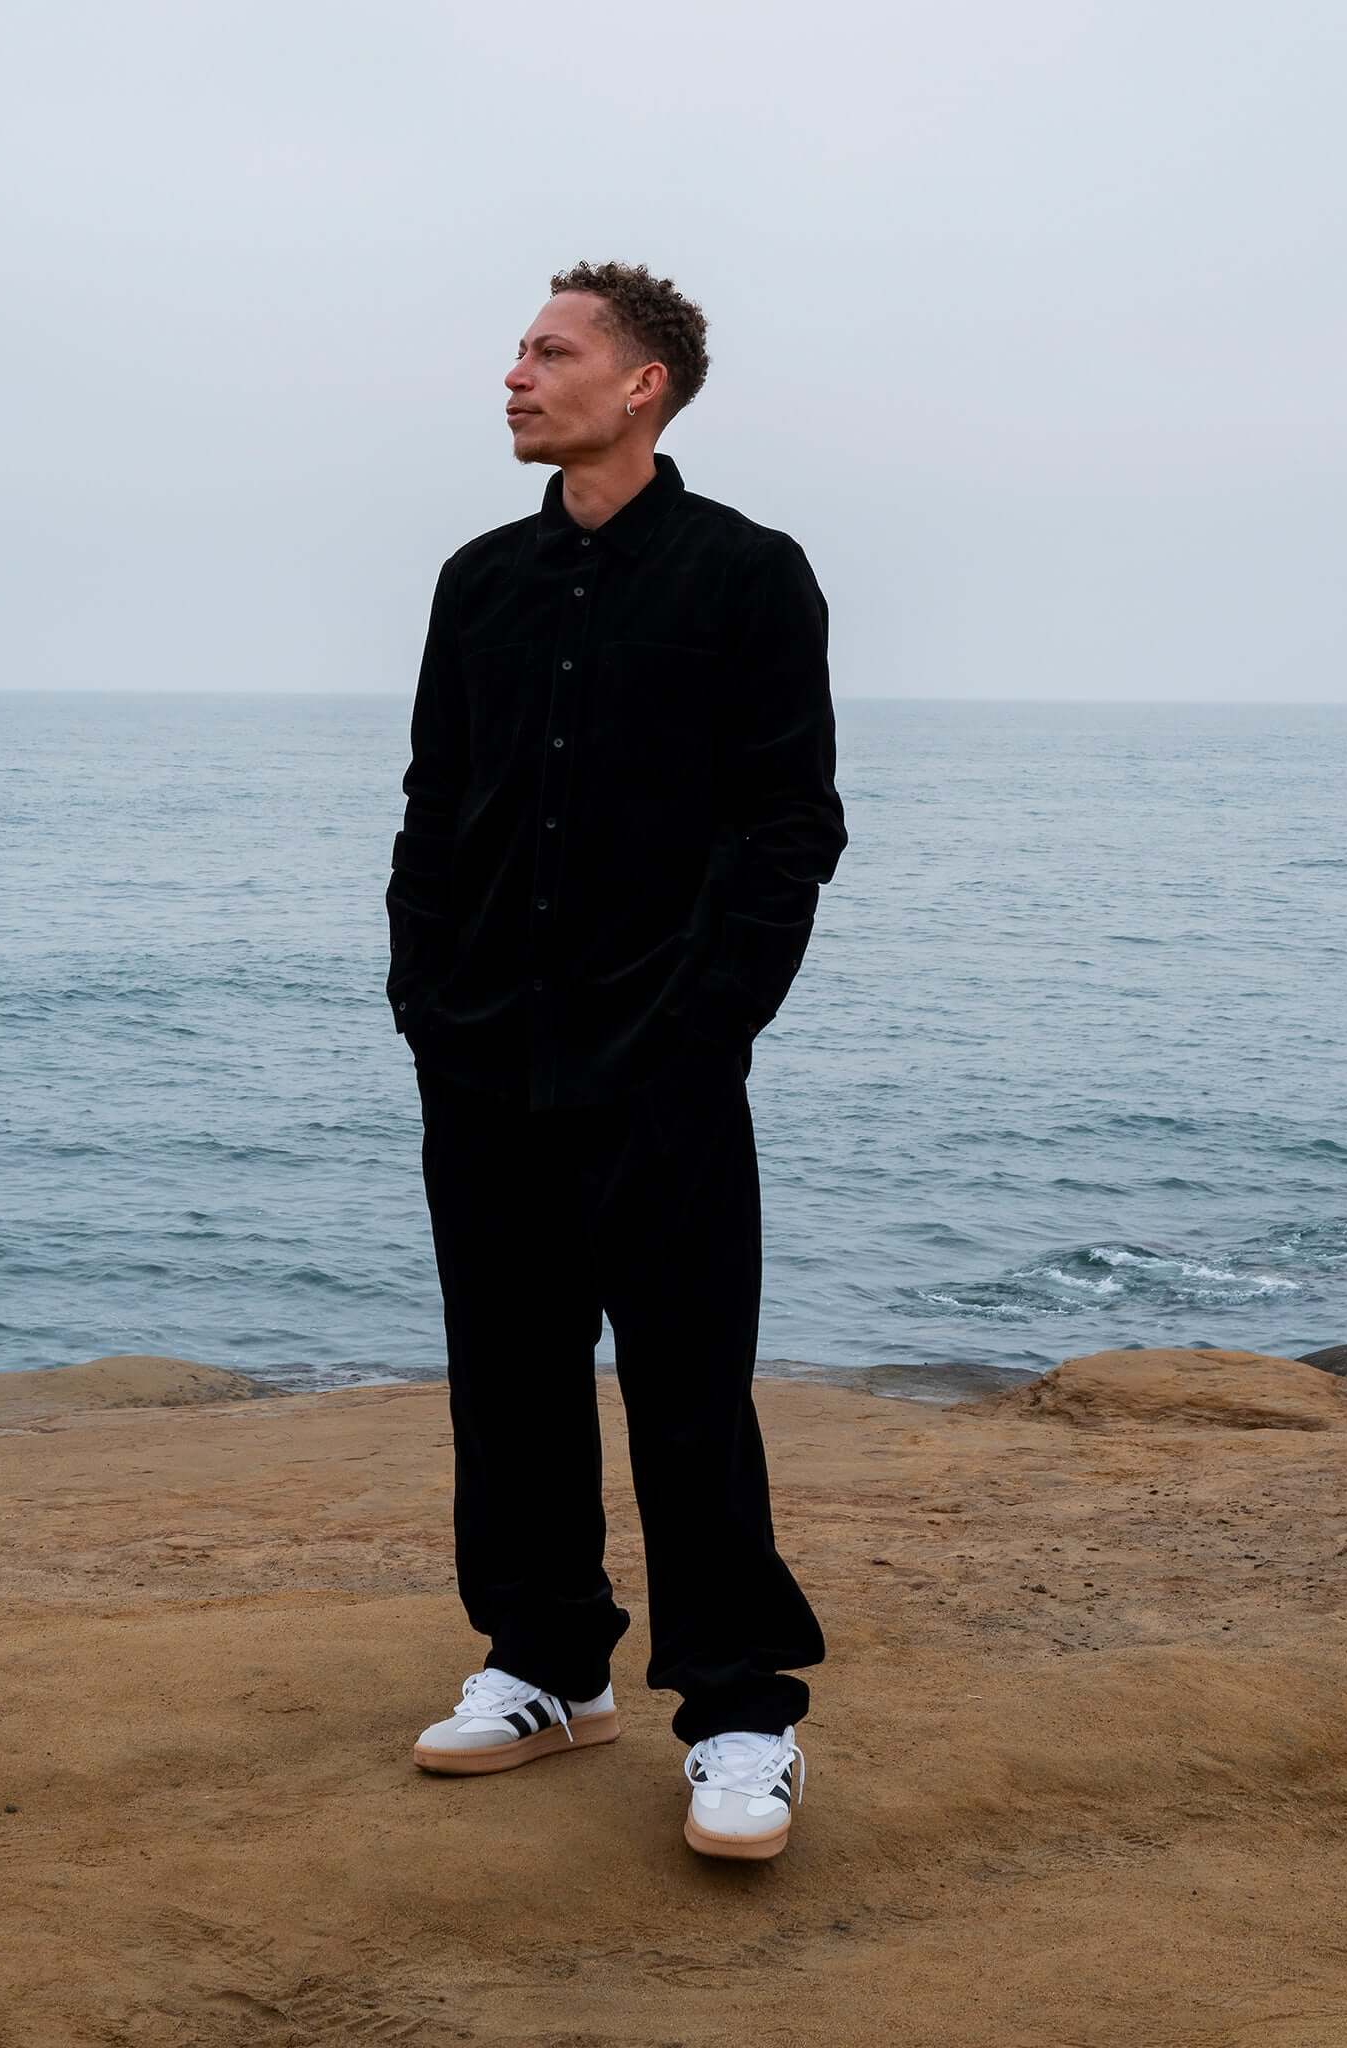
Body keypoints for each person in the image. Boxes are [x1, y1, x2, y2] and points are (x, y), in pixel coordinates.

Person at [387, 259, 848, 1860]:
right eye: (518, 348)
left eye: (549, 350)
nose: (514, 375)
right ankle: (543, 1664)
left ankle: (735, 1715)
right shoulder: (476, 583)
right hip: (487, 1063)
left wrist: (703, 1023)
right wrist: (426, 1001)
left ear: (640, 382)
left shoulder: (746, 576)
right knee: (508, 1379)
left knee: (687, 1387)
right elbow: (434, 811)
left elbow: (792, 827)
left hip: (664, 1067)